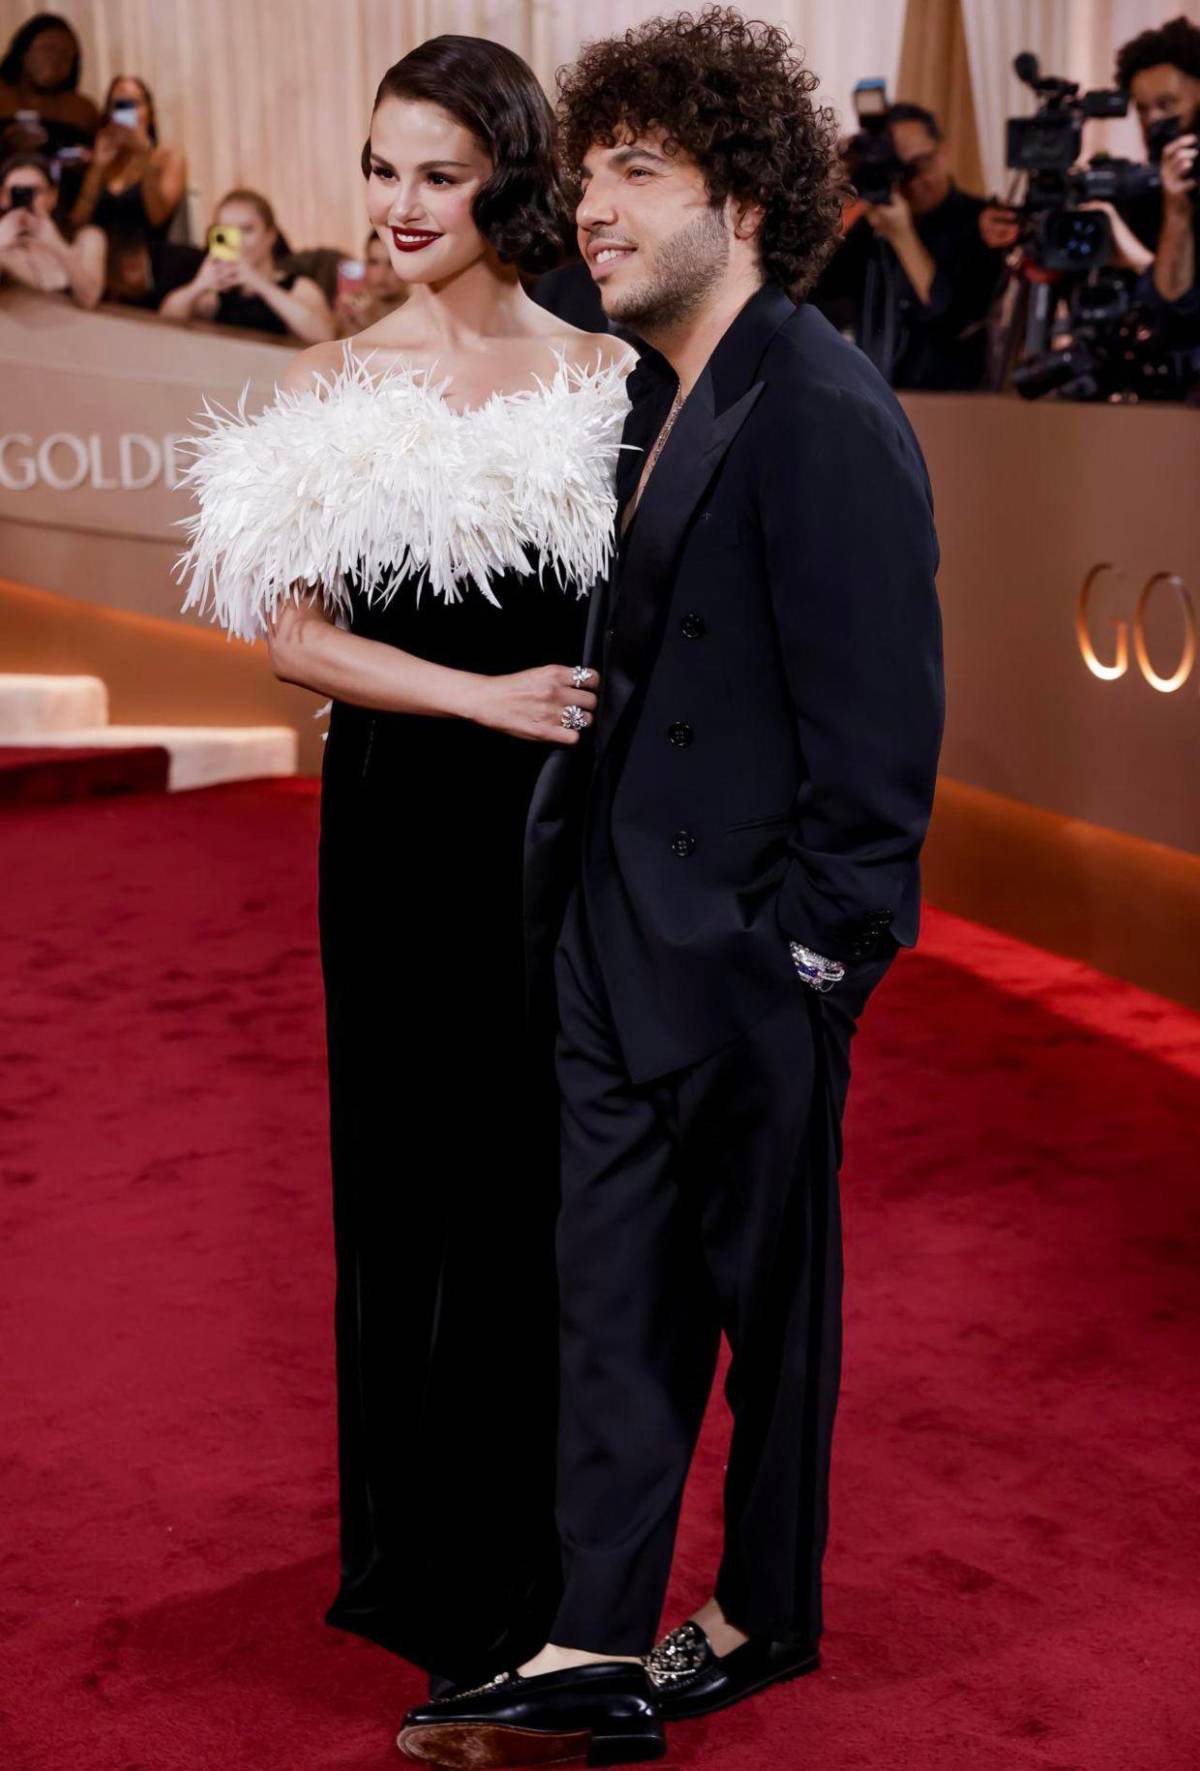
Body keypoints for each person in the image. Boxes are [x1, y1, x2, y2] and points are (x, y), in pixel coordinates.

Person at [399, 10, 943, 1766]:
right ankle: (590, 1646)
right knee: (610, 1300)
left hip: (745, 957)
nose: (599, 212)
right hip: (610, 940)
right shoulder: (637, 395)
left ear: (751, 199)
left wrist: (815, 959)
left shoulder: (825, 409)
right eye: (593, 173)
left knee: (774, 1316)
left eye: (642, 175)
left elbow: (878, 746)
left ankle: (762, 1608)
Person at [176, 30, 636, 1714]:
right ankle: (431, 1564)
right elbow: (293, 641)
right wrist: (481, 698)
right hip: (399, 830)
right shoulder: (331, 380)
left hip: (561, 847)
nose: (397, 205)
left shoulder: (605, 378)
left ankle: (551, 1560)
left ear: (508, 176)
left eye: (436, 172)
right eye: (381, 169)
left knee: (551, 1194)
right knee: (416, 1179)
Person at [812, 101, 1006, 389]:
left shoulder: (984, 223)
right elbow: (816, 296)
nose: (911, 180)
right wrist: (829, 195)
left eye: (919, 165)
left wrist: (903, 237)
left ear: (942, 152)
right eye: (899, 169)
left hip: (958, 408)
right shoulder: (872, 227)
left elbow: (954, 321)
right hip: (879, 402)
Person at [1114, 16, 1199, 348]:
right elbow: (1170, 314)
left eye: (1166, 104)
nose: (1154, 121)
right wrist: (1176, 210)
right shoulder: (1148, 195)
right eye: (1143, 110)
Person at [68, 73, 187, 302]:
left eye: (134, 104)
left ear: (149, 112)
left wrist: (145, 157)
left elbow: (157, 218)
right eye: (119, 105)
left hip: (149, 266)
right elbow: (78, 223)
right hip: (99, 265)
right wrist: (97, 168)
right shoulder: (100, 158)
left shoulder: (168, 158)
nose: (127, 114)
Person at [160, 188, 334, 343]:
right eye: (227, 231)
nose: (238, 241)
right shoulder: (213, 294)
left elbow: (323, 335)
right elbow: (163, 325)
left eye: (247, 230)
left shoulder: (298, 287)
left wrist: (257, 282)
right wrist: (198, 286)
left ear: (270, 235)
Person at [0, 152, 103, 306]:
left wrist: (57, 246)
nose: (27, 200)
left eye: (34, 192)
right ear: (3, 198)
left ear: (53, 196)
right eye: (16, 192)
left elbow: (89, 298)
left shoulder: (86, 238)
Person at [0, 13, 99, 173]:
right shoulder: (3, 97)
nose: (55, 60)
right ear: (23, 52)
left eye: (65, 55)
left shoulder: (82, 110)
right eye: (47, 49)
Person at [334, 227, 408, 335]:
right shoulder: (354, 312)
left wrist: (368, 327)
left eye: (392, 263)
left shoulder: (423, 315)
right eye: (374, 262)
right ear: (365, 265)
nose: (382, 274)